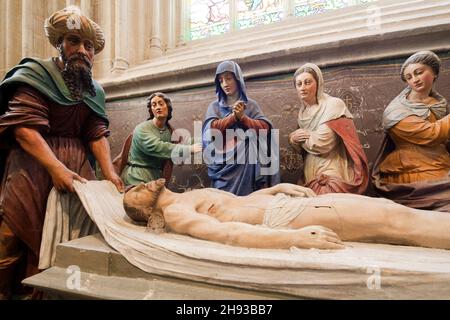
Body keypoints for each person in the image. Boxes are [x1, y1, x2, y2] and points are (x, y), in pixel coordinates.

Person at [0, 6, 124, 299]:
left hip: (78, 168)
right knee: (12, 235)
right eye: (73, 41)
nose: (82, 50)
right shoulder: (36, 73)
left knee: (75, 237)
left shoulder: (94, 89)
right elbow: (24, 128)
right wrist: (54, 167)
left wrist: (110, 173)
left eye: (89, 45)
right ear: (60, 44)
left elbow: (96, 132)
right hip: (33, 165)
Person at [123, 178, 450, 251]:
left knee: (387, 211)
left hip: (284, 206)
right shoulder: (178, 213)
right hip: (287, 220)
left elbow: (239, 203)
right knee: (394, 220)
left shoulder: (188, 195)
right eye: (135, 189)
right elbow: (229, 234)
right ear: (146, 210)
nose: (142, 183)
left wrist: (273, 188)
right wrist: (293, 238)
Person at [372, 51, 450, 212]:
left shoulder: (437, 102)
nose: (414, 79)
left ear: (434, 73)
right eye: (409, 77)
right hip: (413, 168)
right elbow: (431, 134)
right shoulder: (397, 112)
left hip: (441, 162)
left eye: (419, 72)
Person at [289, 63, 369, 195]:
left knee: (331, 205)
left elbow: (322, 143)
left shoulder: (333, 105)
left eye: (307, 82)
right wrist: (293, 139)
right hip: (311, 168)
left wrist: (299, 137)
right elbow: (301, 148)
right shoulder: (303, 112)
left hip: (332, 166)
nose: (303, 87)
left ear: (318, 83)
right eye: (299, 84)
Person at [202, 60, 279, 196]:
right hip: (222, 162)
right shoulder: (214, 107)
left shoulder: (251, 105)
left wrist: (244, 118)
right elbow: (210, 132)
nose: (225, 84)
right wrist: (233, 117)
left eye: (229, 78)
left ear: (237, 79)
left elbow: (266, 128)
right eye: (221, 80)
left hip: (248, 163)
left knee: (250, 144)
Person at [118, 92, 202, 186]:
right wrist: (189, 149)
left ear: (168, 107)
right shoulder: (142, 129)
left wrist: (206, 139)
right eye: (154, 105)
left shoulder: (168, 130)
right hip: (136, 178)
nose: (158, 107)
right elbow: (157, 147)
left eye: (161, 104)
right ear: (151, 110)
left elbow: (183, 142)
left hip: (156, 178)